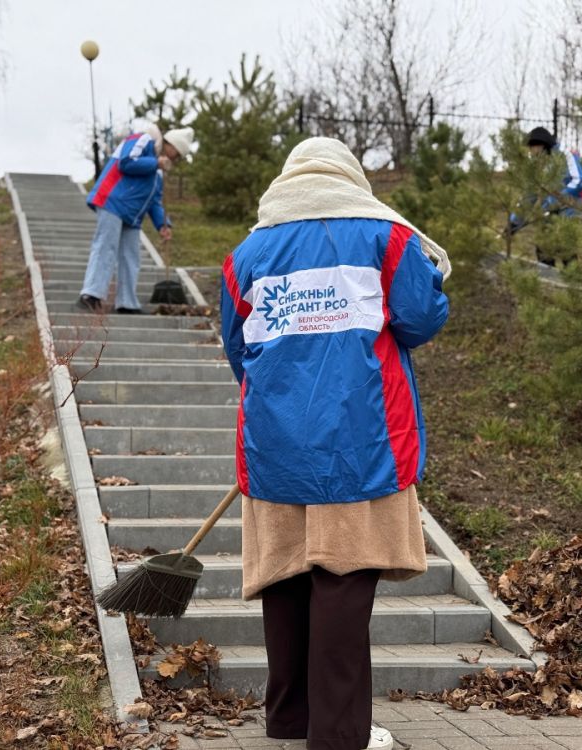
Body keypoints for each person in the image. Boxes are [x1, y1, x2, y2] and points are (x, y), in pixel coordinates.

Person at [220, 137, 451, 750]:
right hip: (361, 441)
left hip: (275, 447)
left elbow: (239, 352)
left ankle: (290, 720)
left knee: (287, 579)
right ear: (350, 178)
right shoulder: (386, 237)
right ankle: (340, 735)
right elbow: (421, 319)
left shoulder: (246, 252)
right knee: (344, 583)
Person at [77, 125, 193, 314]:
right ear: (169, 143)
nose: (175, 158)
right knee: (106, 246)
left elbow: (154, 201)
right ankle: (91, 294)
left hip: (133, 214)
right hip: (112, 201)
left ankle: (126, 302)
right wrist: (155, 162)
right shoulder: (143, 139)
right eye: (176, 153)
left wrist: (163, 224)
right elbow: (126, 161)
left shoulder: (158, 173)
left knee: (131, 256)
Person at [507, 127, 582, 265]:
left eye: (531, 148)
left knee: (567, 254)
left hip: (569, 212)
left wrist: (556, 200)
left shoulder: (565, 155)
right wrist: (514, 223)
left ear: (541, 144)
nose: (530, 152)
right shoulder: (536, 165)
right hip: (549, 213)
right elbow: (528, 196)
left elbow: (580, 180)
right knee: (543, 251)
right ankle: (550, 282)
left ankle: (571, 284)